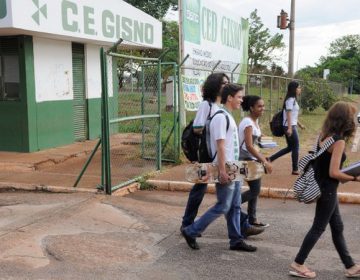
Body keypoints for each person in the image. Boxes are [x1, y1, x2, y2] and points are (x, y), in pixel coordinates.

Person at [181, 83, 257, 251]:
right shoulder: (220, 117)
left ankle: (236, 240)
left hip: (233, 167)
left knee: (235, 205)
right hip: (226, 168)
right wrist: (222, 171)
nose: (241, 100)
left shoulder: (227, 116)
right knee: (223, 205)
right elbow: (220, 146)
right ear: (229, 98)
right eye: (239, 97)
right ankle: (191, 231)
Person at [289, 101, 360, 279]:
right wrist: (354, 177)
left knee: (337, 226)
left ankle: (350, 266)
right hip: (327, 188)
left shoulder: (324, 135)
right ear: (345, 119)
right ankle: (298, 263)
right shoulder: (339, 142)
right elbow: (334, 172)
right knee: (318, 227)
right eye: (352, 117)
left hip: (321, 185)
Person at [181, 72, 229, 232]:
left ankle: (241, 225)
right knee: (199, 190)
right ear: (215, 85)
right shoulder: (206, 105)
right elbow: (197, 127)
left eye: (228, 83)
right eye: (224, 83)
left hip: (214, 154)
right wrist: (213, 128)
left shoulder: (218, 106)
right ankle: (187, 225)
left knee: (225, 195)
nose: (226, 86)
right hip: (205, 154)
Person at [238, 95, 273, 228]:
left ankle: (252, 219)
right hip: (245, 160)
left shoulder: (253, 121)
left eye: (263, 106)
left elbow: (254, 141)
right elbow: (248, 146)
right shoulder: (248, 123)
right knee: (255, 190)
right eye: (259, 106)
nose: (263, 108)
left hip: (250, 159)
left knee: (254, 189)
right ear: (251, 108)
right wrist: (264, 161)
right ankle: (231, 205)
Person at [268, 81, 305, 175]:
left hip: (291, 125)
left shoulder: (293, 99)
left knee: (290, 147)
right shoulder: (290, 100)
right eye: (298, 87)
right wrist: (289, 128)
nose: (300, 89)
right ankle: (295, 169)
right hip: (289, 126)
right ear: (294, 89)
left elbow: (292, 116)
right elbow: (288, 115)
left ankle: (270, 159)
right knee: (296, 147)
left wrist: (300, 124)